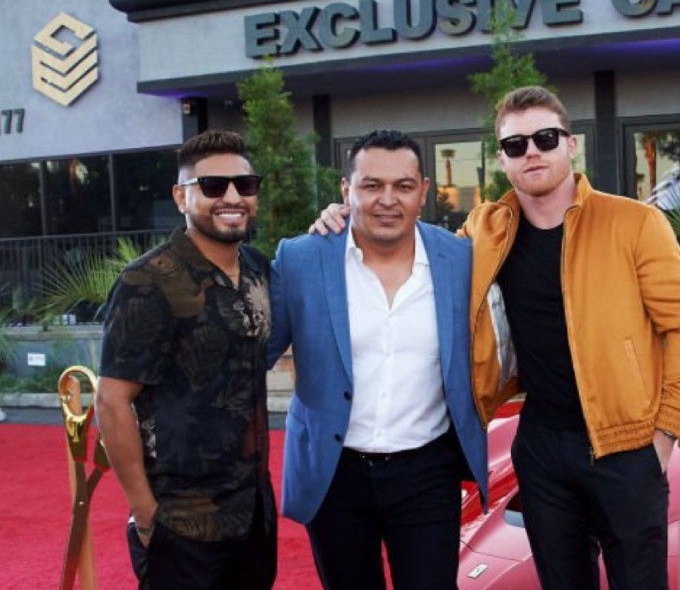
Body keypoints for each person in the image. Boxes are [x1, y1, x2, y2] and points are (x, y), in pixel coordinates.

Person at [316, 87, 680, 590]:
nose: (531, 151)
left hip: (627, 442)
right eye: (515, 145)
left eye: (545, 138)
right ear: (502, 158)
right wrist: (345, 221)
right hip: (542, 446)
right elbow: (413, 250)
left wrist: (664, 434)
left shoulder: (635, 222)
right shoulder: (485, 229)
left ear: (570, 144)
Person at [268, 129, 488, 590]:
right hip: (335, 473)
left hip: (427, 472)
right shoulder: (301, 259)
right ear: (347, 191)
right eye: (372, 186)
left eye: (403, 186)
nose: (388, 199)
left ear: (424, 192)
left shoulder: (463, 260)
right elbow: (252, 356)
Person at [95, 130, 276, 590]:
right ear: (181, 197)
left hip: (253, 512)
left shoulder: (257, 267)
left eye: (245, 185)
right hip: (180, 520)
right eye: (213, 187)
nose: (232, 197)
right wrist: (144, 511)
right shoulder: (147, 282)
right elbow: (112, 402)